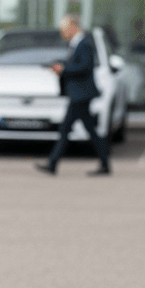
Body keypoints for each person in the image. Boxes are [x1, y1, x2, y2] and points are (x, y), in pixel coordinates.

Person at [35, 15, 111, 176]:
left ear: (73, 27)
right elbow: (75, 63)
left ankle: (53, 163)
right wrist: (59, 64)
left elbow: (84, 67)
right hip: (79, 94)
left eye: (64, 29)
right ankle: (104, 163)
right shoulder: (76, 44)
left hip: (81, 95)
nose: (62, 33)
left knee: (65, 130)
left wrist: (63, 70)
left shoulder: (84, 44)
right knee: (90, 130)